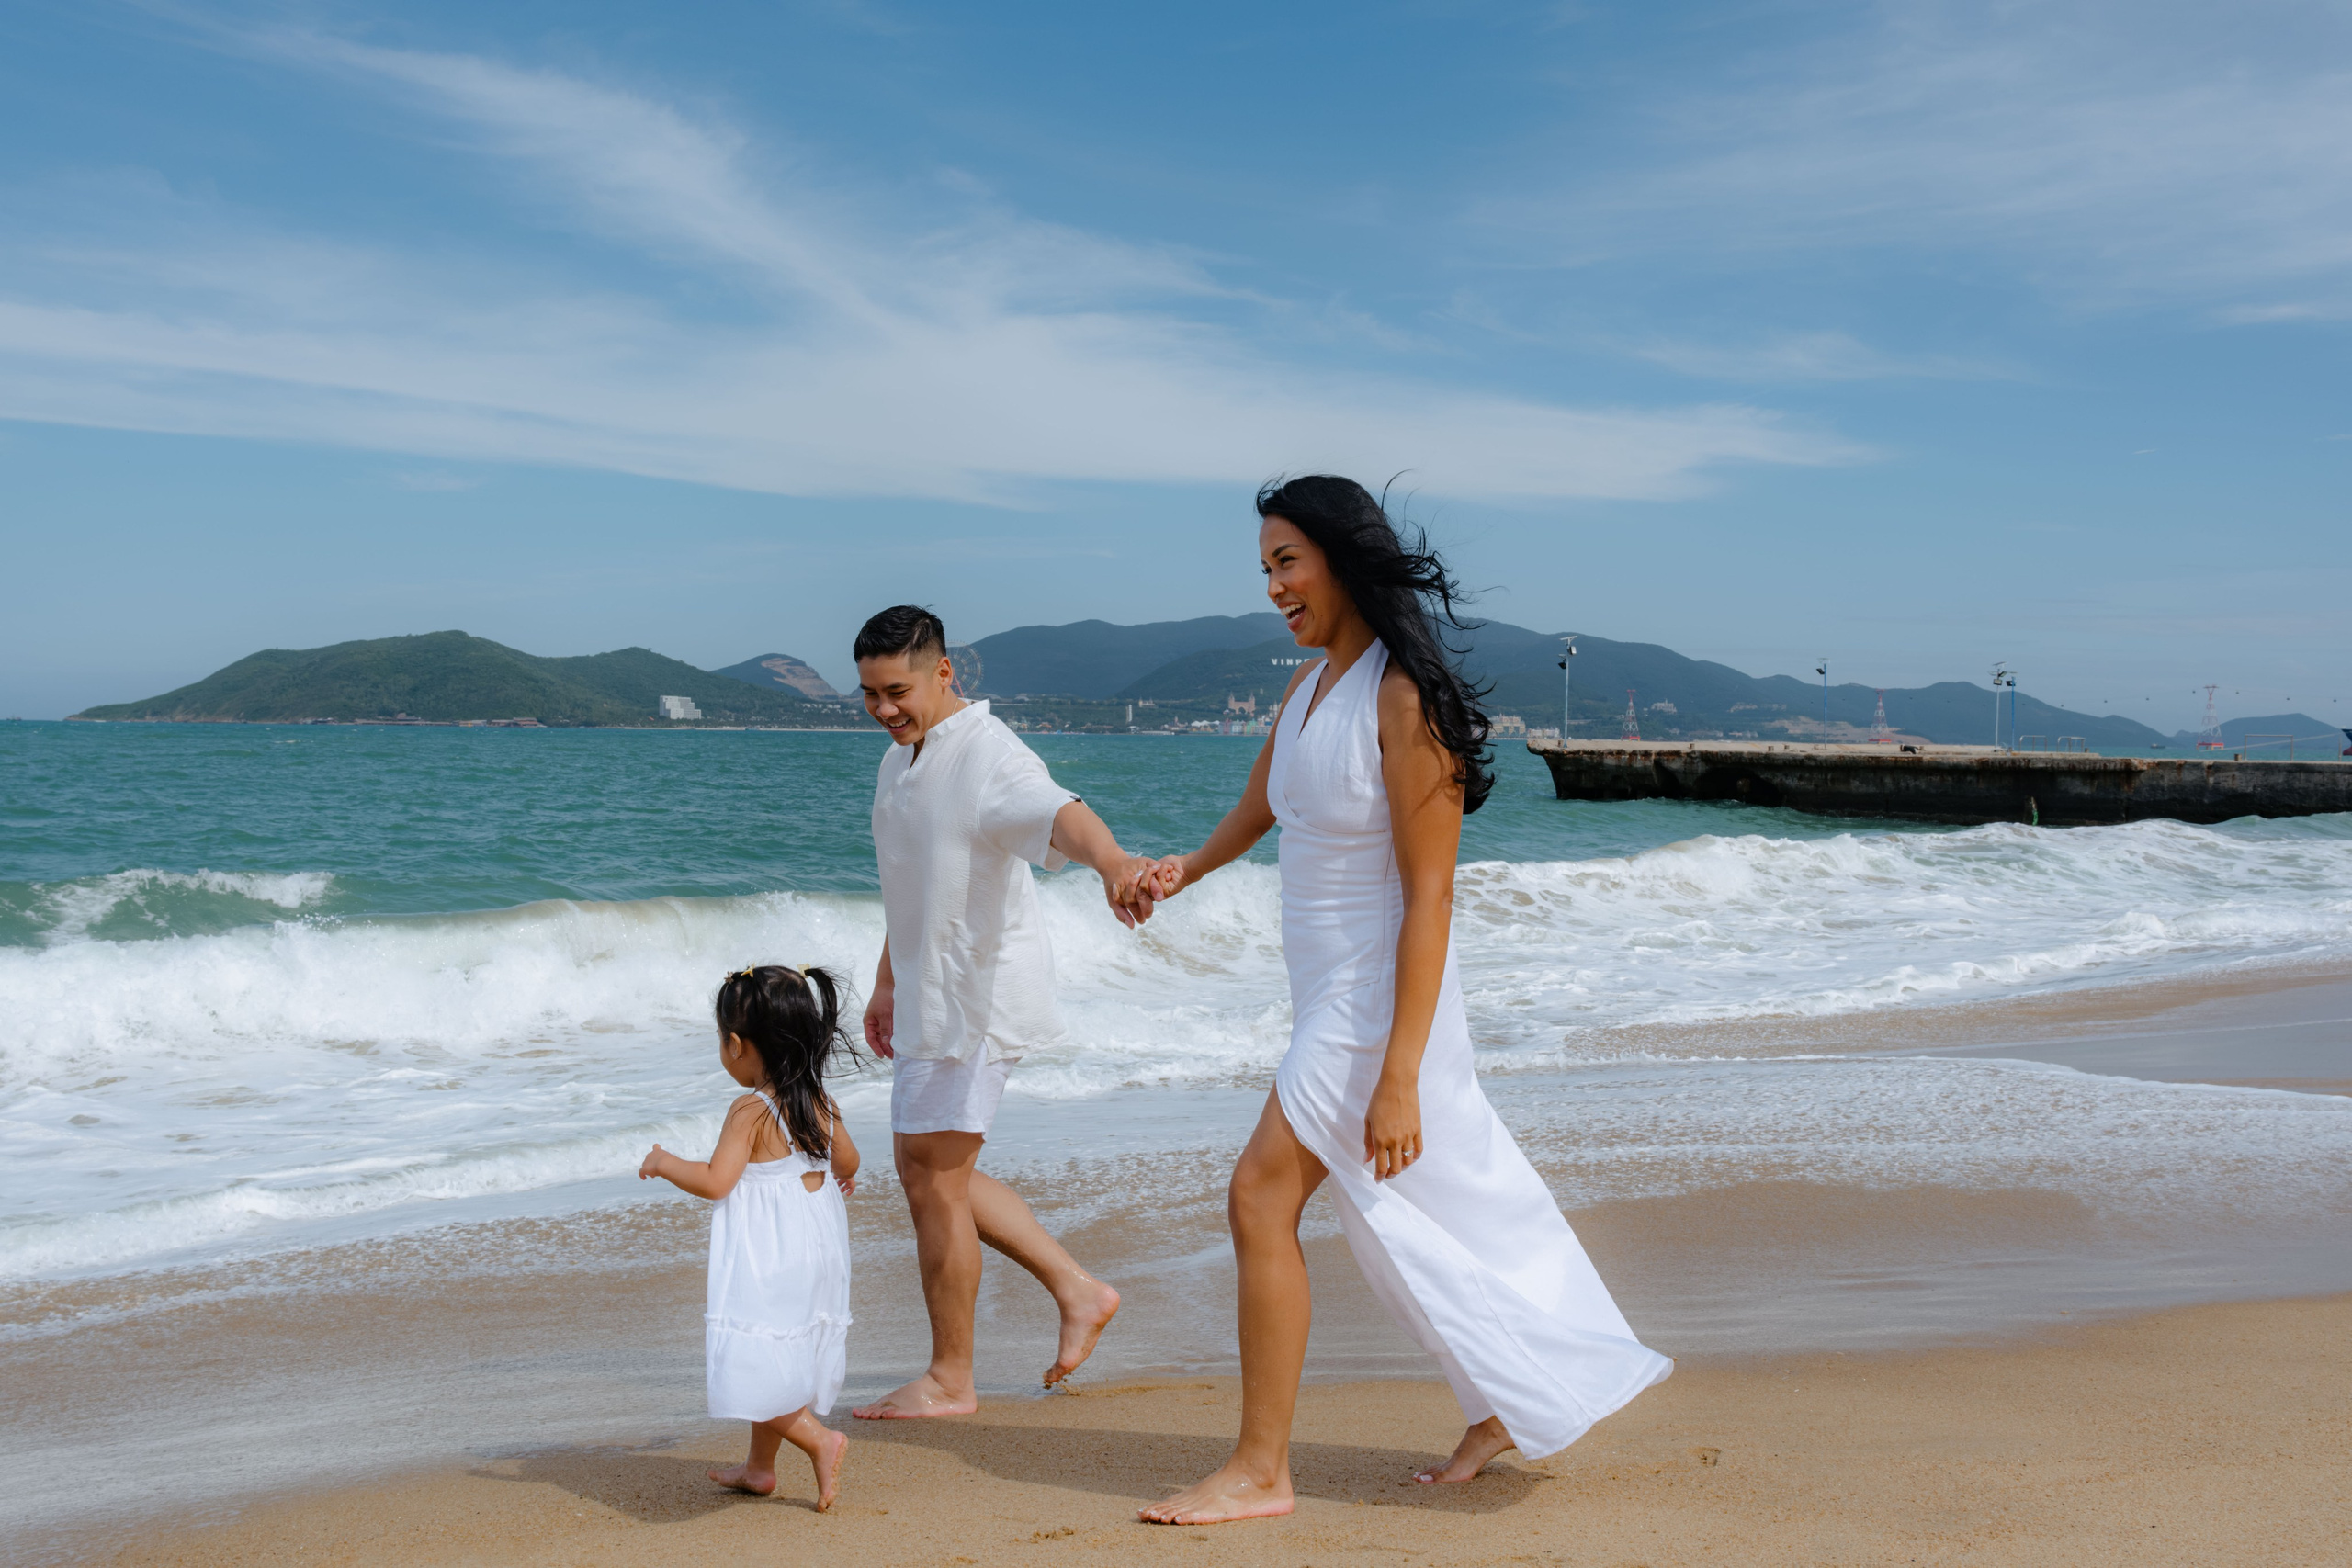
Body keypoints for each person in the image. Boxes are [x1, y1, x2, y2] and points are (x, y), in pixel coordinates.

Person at [1135, 478, 1673, 1525]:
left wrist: (1398, 1075)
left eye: (1288, 561)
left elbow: (1431, 897)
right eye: (1265, 570)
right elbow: (1262, 805)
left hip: (1377, 1001)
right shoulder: (1308, 692)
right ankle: (1506, 1399)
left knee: (1259, 1197)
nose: (1275, 587)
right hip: (1326, 996)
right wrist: (1182, 871)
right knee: (1430, 1207)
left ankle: (1259, 1469)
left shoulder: (1401, 696)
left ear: (1342, 558)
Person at [849, 604, 1148, 1419]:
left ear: (946, 672)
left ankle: (952, 1378)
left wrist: (1114, 861)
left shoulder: (988, 754)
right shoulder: (901, 761)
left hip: (976, 999)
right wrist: (887, 980)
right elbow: (911, 881)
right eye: (870, 694)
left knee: (934, 1180)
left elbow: (1063, 813)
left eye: (897, 690)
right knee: (930, 1171)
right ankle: (1078, 1290)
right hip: (927, 994)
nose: (884, 709)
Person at [639, 963, 862, 1512]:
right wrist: (834, 1176)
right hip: (817, 1241)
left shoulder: (750, 1110)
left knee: (756, 1358)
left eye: (721, 1039)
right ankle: (760, 1468)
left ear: (736, 1044)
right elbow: (849, 1160)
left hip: (771, 1252)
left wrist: (667, 1163)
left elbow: (717, 1182)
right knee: (779, 1349)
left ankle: (819, 1440)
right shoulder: (817, 1099)